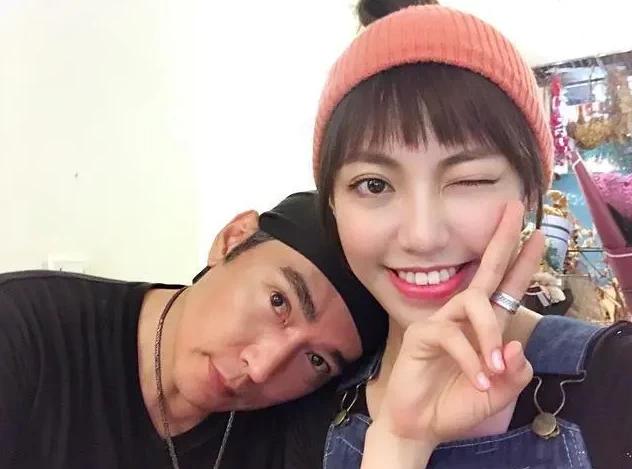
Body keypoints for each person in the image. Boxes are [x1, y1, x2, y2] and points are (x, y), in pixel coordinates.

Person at [286, 1, 632, 468]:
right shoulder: (308, 415)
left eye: (469, 180)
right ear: (332, 202)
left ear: (531, 189)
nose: (422, 236)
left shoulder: (619, 379)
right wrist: (399, 445)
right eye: (374, 185)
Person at [0, 191, 388, 468]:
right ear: (233, 239)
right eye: (278, 302)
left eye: (316, 360)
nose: (261, 368)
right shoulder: (22, 330)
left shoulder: (298, 423)